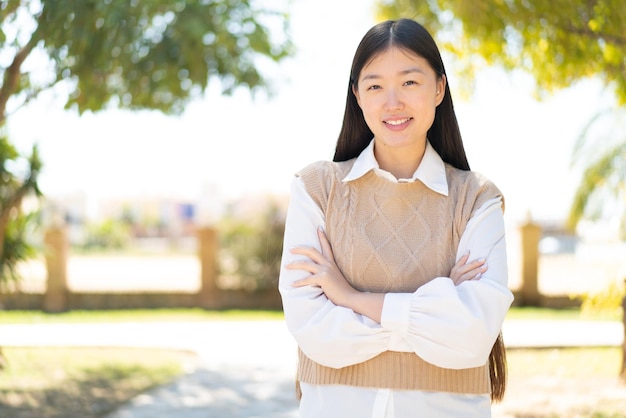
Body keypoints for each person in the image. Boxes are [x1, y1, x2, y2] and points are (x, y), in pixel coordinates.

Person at [278, 18, 514, 418]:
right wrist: (436, 304)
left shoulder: (476, 199)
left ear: (439, 88)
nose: (393, 103)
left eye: (409, 82)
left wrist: (351, 298)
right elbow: (313, 330)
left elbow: (472, 336)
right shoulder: (317, 189)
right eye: (374, 86)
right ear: (357, 95)